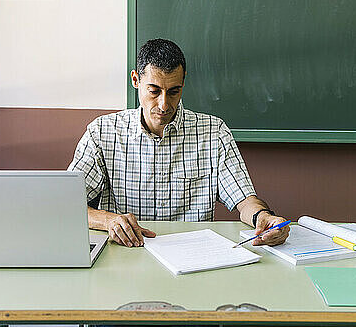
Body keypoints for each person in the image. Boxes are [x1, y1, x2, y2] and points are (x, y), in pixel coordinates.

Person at [68, 39, 289, 247]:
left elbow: (244, 200)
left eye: (174, 92)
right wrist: (108, 221)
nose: (164, 104)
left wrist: (263, 217)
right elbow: (65, 203)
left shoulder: (214, 132)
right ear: (136, 80)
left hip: (193, 256)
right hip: (127, 253)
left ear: (183, 83)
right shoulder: (102, 132)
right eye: (154, 91)